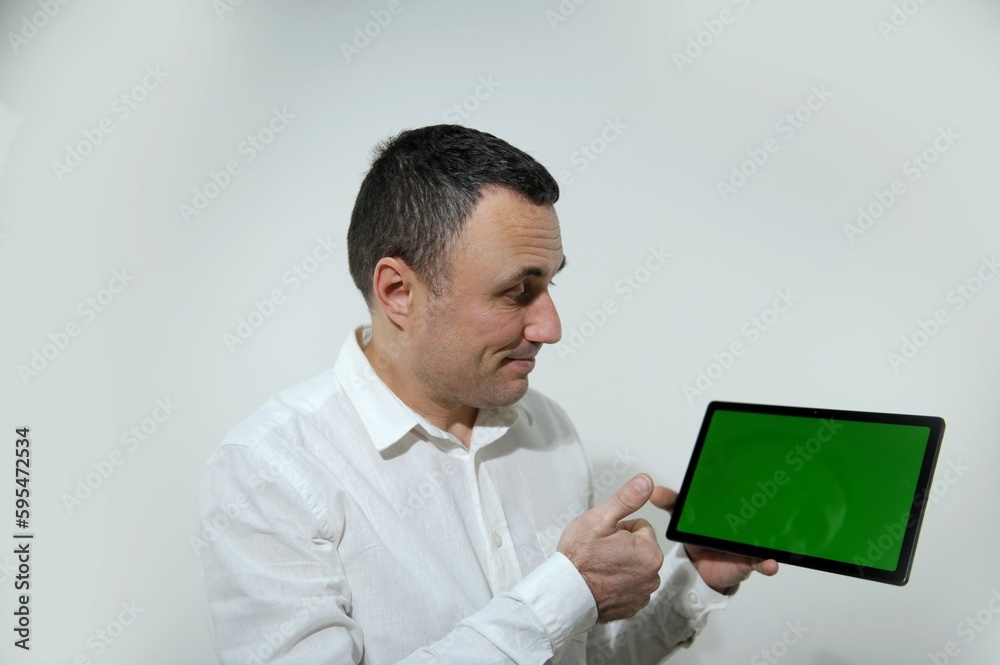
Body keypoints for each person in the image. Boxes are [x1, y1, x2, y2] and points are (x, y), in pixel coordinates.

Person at [198, 124, 778, 664]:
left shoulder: (548, 430)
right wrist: (563, 594)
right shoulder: (271, 470)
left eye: (550, 283)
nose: (551, 327)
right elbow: (554, 616)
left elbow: (580, 655)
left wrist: (694, 578)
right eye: (517, 292)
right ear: (398, 292)